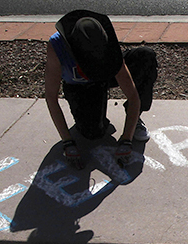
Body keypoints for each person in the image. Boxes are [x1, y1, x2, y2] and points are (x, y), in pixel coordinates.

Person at [45, 9, 158, 169]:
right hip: (80, 87)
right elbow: (51, 97)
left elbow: (133, 96)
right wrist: (68, 142)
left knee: (145, 57)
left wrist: (126, 139)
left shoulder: (104, 42)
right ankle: (91, 113)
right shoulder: (57, 47)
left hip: (104, 74)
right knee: (93, 133)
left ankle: (134, 119)